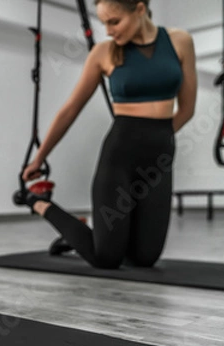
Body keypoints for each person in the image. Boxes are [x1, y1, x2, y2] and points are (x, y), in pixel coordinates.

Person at [22, 0, 196, 269]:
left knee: (145, 258)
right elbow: (70, 110)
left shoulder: (180, 41)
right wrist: (38, 158)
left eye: (114, 21)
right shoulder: (103, 53)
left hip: (159, 160)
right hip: (119, 158)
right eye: (104, 23)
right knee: (107, 258)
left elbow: (187, 109)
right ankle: (41, 203)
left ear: (139, 9)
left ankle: (96, 232)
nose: (108, 30)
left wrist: (157, 139)